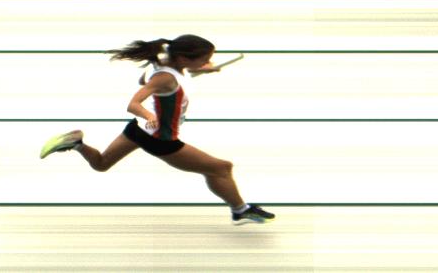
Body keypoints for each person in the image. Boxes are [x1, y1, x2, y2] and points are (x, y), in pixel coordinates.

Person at [39, 35, 275, 224]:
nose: (207, 62)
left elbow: (146, 80)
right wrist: (149, 114)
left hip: (138, 130)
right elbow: (133, 103)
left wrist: (201, 70)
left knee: (101, 164)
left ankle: (77, 143)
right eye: (204, 59)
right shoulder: (164, 78)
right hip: (160, 138)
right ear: (183, 58)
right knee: (221, 168)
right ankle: (240, 210)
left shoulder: (160, 63)